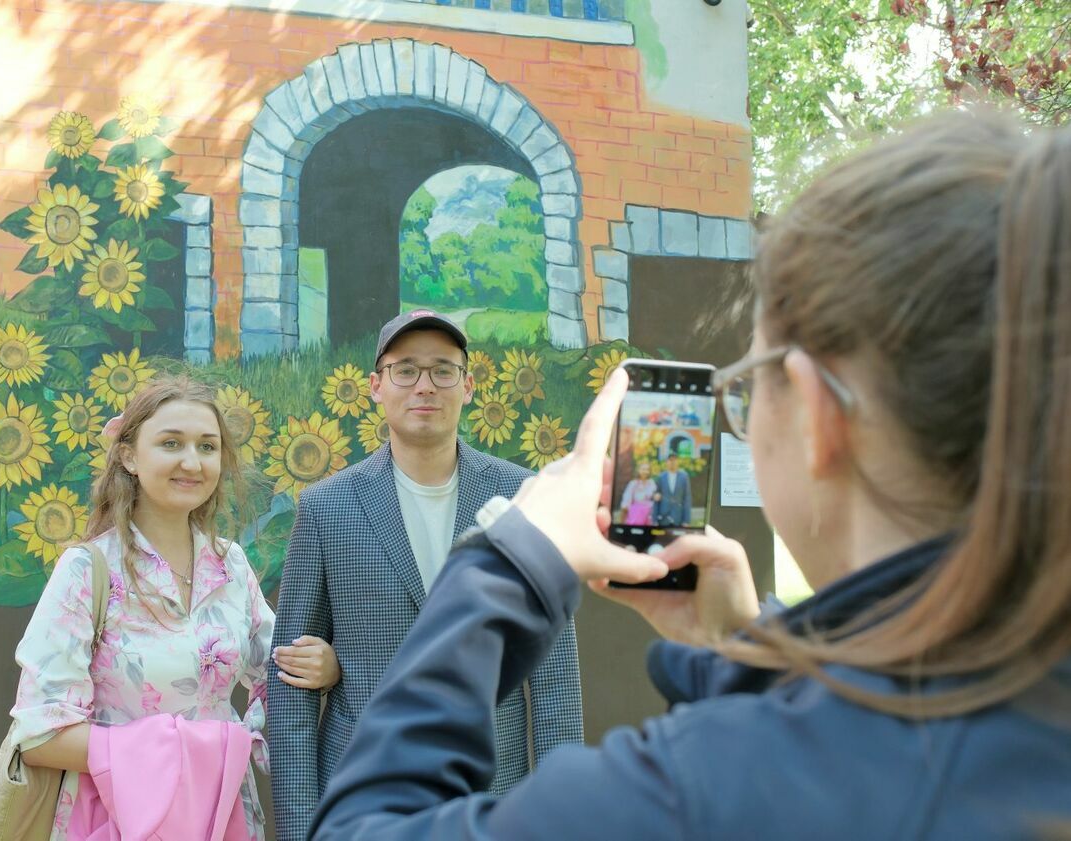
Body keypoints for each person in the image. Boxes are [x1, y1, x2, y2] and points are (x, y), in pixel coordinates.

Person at [309, 110, 1071, 839]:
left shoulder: (702, 789)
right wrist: (757, 652)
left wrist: (508, 563)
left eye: (752, 378)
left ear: (816, 416)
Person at [268, 310, 584, 841]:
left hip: (492, 792)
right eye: (405, 370)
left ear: (468, 384)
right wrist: (301, 828)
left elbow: (554, 679)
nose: (425, 387)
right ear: (375, 386)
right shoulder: (327, 507)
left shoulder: (522, 497)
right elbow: (293, 682)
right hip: (362, 792)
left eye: (443, 371)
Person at [8, 376, 341, 840]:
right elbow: (40, 732)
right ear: (129, 456)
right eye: (171, 443)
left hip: (221, 818)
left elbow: (276, 673)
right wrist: (196, 747)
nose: (192, 462)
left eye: (207, 447)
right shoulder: (88, 570)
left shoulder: (230, 565)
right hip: (117, 820)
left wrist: (323, 666)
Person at [653, 451, 691, 525]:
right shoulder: (661, 477)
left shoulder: (684, 477)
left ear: (677, 462)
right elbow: (656, 497)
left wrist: (686, 520)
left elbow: (687, 498)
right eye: (670, 460)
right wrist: (655, 520)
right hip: (663, 517)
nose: (672, 462)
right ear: (667, 462)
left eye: (674, 460)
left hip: (678, 517)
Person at [616, 460, 658, 525]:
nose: (645, 472)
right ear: (639, 470)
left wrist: (656, 497)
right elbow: (627, 497)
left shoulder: (651, 483)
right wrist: (625, 507)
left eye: (647, 470)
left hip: (649, 510)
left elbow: (654, 495)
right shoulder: (633, 483)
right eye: (643, 469)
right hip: (636, 509)